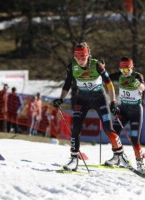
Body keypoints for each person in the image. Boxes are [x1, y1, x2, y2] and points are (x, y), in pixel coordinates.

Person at [53, 42, 125, 171]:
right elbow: (67, 85)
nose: (80, 61)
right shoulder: (72, 67)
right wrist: (61, 99)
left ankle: (119, 155)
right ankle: (74, 159)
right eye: (77, 58)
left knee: (108, 129)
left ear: (88, 56)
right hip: (82, 99)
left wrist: (113, 102)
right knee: (76, 128)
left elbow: (109, 85)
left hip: (99, 98)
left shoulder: (97, 65)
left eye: (83, 58)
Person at [109, 57, 145, 175]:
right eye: (122, 70)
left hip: (136, 111)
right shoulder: (119, 75)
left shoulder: (137, 76)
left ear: (131, 68)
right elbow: (106, 77)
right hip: (124, 110)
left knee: (135, 139)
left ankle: (140, 164)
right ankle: (117, 156)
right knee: (113, 131)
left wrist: (137, 84)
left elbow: (143, 87)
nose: (125, 73)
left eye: (127, 70)